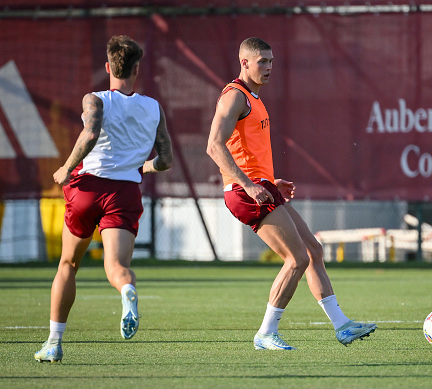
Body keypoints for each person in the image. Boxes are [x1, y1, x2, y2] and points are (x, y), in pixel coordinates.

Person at [206, 37, 376, 350]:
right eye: (262, 62)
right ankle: (265, 333)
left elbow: (246, 151)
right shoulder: (235, 97)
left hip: (261, 186)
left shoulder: (254, 98)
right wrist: (249, 184)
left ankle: (342, 326)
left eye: (271, 61)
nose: (269, 67)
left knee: (313, 250)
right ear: (244, 63)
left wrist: (270, 181)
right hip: (244, 192)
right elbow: (214, 145)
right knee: (296, 258)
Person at [35, 35, 173, 363]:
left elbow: (90, 133)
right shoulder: (153, 107)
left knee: (68, 264)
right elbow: (166, 160)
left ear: (109, 67)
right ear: (137, 69)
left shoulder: (95, 100)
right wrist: (145, 166)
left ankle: (54, 343)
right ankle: (127, 291)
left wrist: (66, 168)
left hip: (88, 189)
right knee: (117, 266)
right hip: (124, 192)